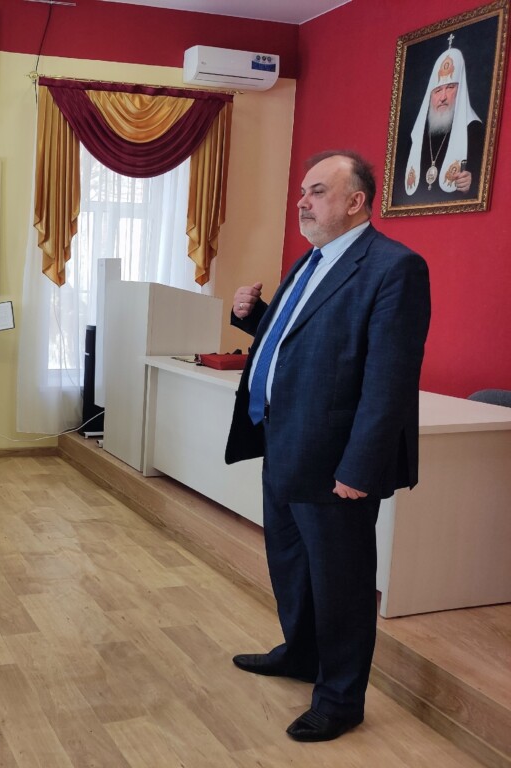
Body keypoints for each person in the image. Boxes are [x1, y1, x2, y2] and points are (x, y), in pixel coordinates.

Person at [225, 151, 431, 742]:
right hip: (284, 443)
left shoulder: (395, 268)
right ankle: (301, 654)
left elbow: (389, 381)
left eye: (317, 191)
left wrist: (360, 467)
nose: (303, 202)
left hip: (335, 462)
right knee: (291, 564)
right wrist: (255, 318)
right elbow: (304, 338)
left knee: (341, 584)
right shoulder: (311, 259)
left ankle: (340, 699)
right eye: (302, 192)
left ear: (356, 201)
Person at [398, 35, 483, 204]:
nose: (443, 97)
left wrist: (471, 185)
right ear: (430, 96)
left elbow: (480, 188)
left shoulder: (475, 130)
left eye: (450, 87)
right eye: (437, 91)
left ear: (460, 91)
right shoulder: (417, 136)